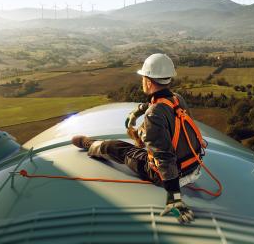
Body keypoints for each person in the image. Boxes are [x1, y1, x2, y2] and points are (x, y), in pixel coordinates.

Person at [71, 53, 205, 224]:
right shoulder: (177, 99)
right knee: (148, 139)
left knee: (119, 148)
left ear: (148, 82)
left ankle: (89, 144)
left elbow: (165, 158)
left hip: (172, 176)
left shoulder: (154, 115)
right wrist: (137, 111)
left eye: (143, 78)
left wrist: (175, 198)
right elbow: (156, 104)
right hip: (194, 166)